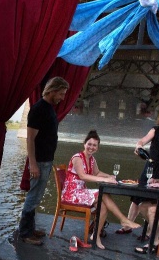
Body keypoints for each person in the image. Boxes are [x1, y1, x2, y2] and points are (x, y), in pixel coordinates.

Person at [118, 102, 159, 238]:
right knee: (137, 197)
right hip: (150, 167)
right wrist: (138, 147)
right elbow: (142, 141)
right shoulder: (156, 129)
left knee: (154, 201)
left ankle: (151, 232)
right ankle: (127, 225)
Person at [62, 130, 140, 249]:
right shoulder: (77, 158)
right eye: (89, 144)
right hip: (71, 194)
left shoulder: (92, 159)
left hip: (82, 192)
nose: (91, 147)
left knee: (103, 205)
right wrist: (106, 180)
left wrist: (109, 176)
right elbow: (83, 176)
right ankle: (123, 220)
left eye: (94, 145)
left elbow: (97, 173)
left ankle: (96, 236)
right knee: (102, 194)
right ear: (84, 144)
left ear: (97, 148)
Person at [18, 76, 69, 245]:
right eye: (61, 93)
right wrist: (32, 163)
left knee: (37, 196)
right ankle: (25, 234)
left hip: (46, 160)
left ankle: (30, 229)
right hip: (39, 161)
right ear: (53, 91)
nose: (62, 97)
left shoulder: (49, 108)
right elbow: (30, 139)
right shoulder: (39, 109)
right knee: (33, 196)